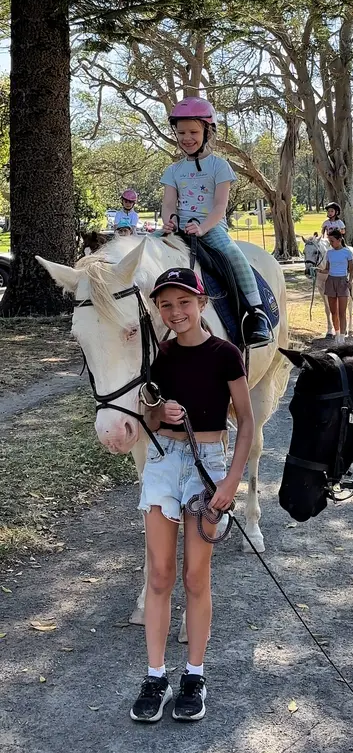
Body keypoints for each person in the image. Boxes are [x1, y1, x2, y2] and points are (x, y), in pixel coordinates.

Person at [130, 267, 254, 724]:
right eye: (166, 305)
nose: (176, 312)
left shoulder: (225, 354)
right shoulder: (160, 356)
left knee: (195, 577)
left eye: (184, 302)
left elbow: (246, 424)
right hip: (164, 463)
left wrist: (230, 481)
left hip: (209, 465)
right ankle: (155, 675)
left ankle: (195, 674)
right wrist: (158, 410)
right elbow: (149, 416)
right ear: (158, 311)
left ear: (201, 303)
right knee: (159, 574)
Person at [161, 98, 271, 347]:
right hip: (178, 228)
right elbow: (169, 203)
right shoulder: (173, 170)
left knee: (232, 254)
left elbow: (220, 206)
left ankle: (255, 313)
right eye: (181, 132)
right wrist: (169, 221)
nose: (186, 138)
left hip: (210, 226)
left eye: (193, 132)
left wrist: (202, 227)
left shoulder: (219, 166)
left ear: (207, 132)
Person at [320, 228, 353, 342]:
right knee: (333, 311)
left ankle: (342, 336)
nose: (331, 243)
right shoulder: (329, 253)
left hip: (342, 281)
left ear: (339, 240)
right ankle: (337, 332)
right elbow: (327, 269)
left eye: (332, 241)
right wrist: (317, 270)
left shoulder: (347, 252)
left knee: (342, 312)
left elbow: (351, 269)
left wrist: (350, 281)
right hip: (331, 281)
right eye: (329, 241)